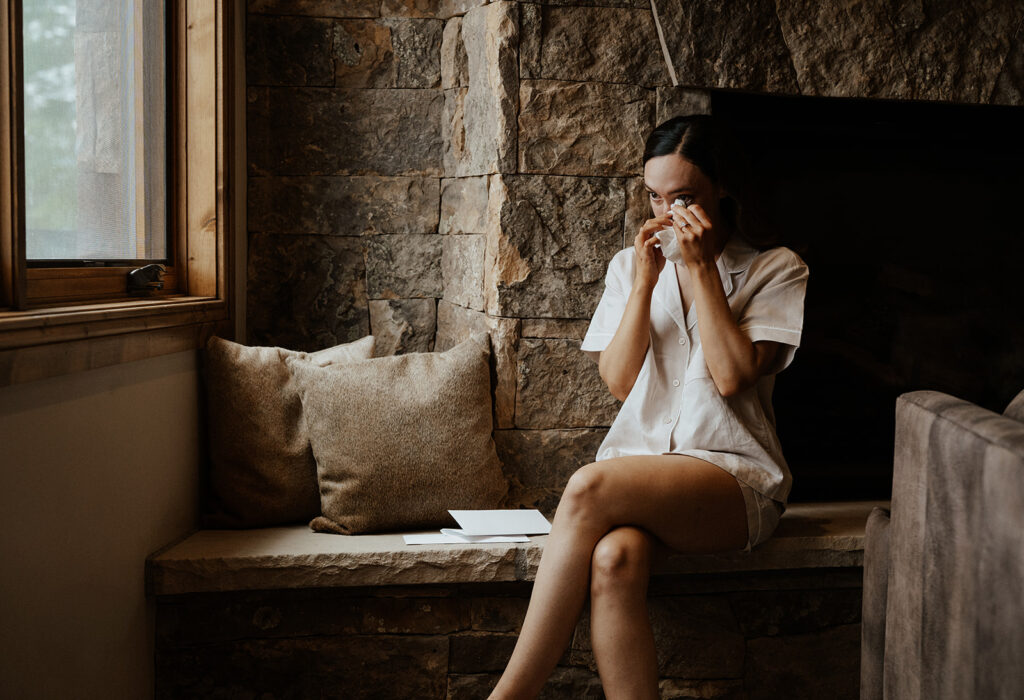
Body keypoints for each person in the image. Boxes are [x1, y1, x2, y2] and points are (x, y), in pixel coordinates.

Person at [488, 114, 809, 700]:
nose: (666, 213)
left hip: (735, 479)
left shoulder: (776, 268)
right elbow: (618, 381)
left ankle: (508, 696)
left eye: (683, 197)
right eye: (655, 196)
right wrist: (643, 284)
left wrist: (702, 267)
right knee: (613, 560)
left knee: (586, 487)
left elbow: (734, 376)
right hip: (646, 471)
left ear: (723, 192)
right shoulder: (628, 266)